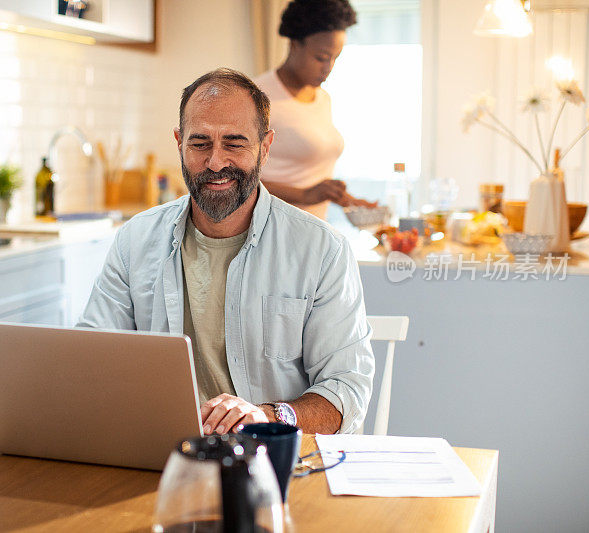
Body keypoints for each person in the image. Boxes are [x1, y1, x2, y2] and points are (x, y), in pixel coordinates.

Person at [77, 68, 374, 435]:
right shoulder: (134, 240)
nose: (216, 162)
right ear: (179, 143)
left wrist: (265, 417)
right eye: (200, 143)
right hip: (164, 455)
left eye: (234, 143)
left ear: (265, 147)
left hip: (275, 464)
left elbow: (346, 391)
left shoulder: (322, 250)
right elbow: (90, 361)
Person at [254, 0, 376, 220]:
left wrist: (347, 200)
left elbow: (309, 176)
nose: (328, 68)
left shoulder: (323, 99)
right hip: (269, 232)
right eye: (321, 57)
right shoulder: (256, 97)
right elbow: (234, 182)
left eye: (335, 58)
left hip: (313, 233)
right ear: (294, 44)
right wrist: (305, 194)